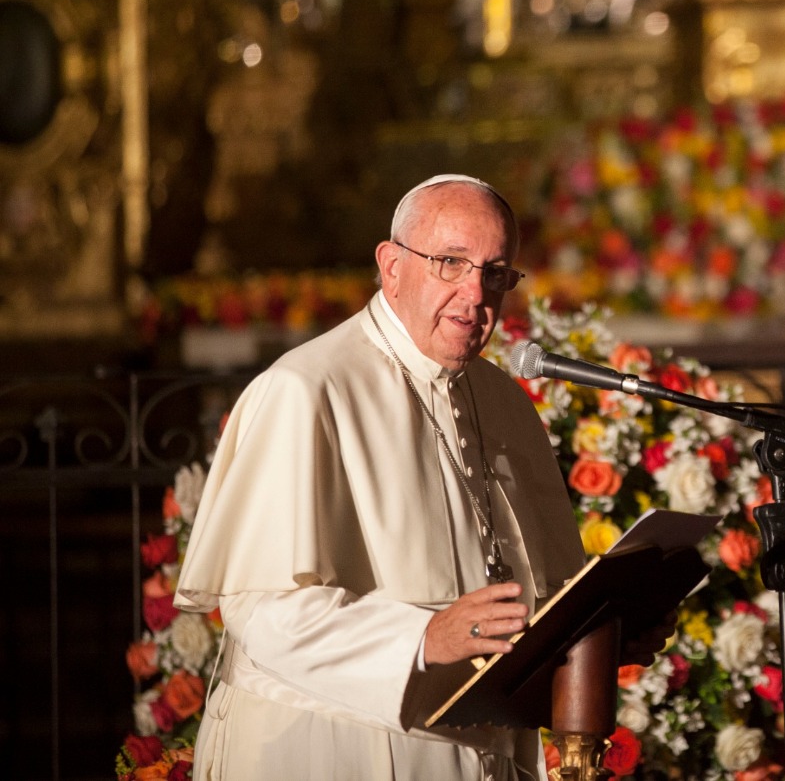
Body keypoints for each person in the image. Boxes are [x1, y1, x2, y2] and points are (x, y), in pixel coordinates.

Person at [176, 174, 589, 780]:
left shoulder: (502, 399)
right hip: (334, 751)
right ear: (391, 266)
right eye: (450, 263)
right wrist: (423, 637)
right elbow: (261, 609)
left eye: (495, 272)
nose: (475, 294)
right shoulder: (306, 390)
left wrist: (600, 627)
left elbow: (538, 590)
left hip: (478, 749)